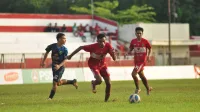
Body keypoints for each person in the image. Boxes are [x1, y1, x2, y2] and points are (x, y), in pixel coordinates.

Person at [67, 34, 116, 102]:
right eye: (100, 41)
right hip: (93, 65)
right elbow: (80, 47)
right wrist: (70, 56)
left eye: (104, 41)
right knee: (99, 80)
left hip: (103, 65)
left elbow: (114, 59)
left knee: (109, 83)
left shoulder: (108, 46)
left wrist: (113, 53)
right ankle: (94, 83)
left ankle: (106, 101)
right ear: (97, 41)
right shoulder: (92, 46)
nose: (102, 43)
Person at [41, 33, 78, 100]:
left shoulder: (65, 49)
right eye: (64, 38)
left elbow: (65, 59)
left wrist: (59, 65)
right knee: (58, 83)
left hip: (61, 67)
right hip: (54, 66)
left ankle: (50, 98)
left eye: (65, 39)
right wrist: (43, 61)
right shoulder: (52, 46)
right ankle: (72, 81)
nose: (65, 40)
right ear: (59, 39)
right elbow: (46, 52)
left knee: (54, 82)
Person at [126, 27, 152, 95]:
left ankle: (138, 88)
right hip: (136, 61)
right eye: (137, 33)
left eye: (140, 33)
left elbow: (150, 48)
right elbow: (130, 48)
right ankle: (148, 88)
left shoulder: (145, 41)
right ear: (135, 33)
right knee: (141, 76)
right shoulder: (133, 41)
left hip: (142, 62)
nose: (139, 35)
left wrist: (148, 56)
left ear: (142, 33)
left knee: (133, 74)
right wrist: (128, 52)